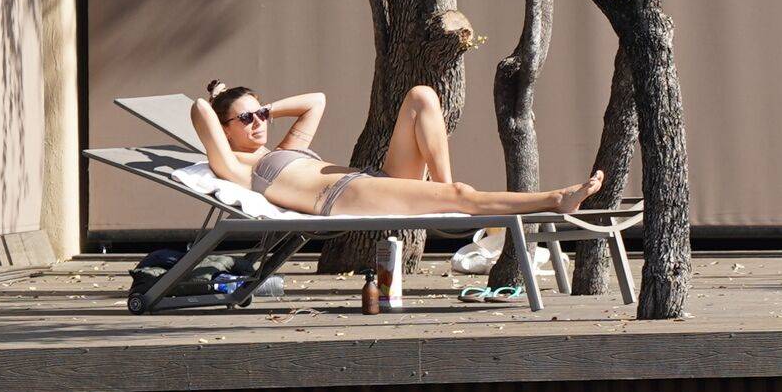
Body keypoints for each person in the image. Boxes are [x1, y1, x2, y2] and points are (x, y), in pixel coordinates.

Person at [190, 81, 604, 312]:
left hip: (369, 182)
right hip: (344, 196)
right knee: (462, 195)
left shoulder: (285, 147)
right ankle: (555, 199)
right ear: (225, 130)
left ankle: (445, 195)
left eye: (261, 115)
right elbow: (199, 110)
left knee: (422, 96)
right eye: (246, 118)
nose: (258, 122)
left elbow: (317, 100)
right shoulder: (237, 166)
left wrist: (264, 106)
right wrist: (217, 97)